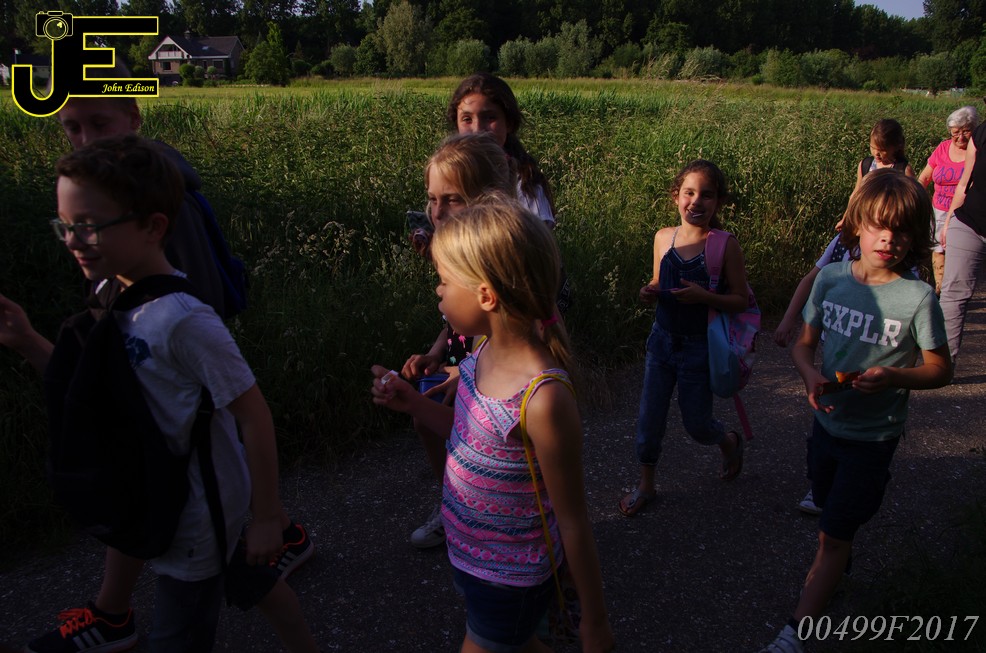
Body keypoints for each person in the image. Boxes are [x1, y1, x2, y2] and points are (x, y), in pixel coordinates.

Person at [20, 96, 316, 653]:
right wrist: (25, 339)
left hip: (196, 509)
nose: (72, 242)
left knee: (177, 634)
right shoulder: (113, 294)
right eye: (65, 226)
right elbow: (91, 386)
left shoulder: (184, 319)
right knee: (251, 579)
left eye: (88, 227)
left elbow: (252, 413)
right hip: (165, 492)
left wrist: (267, 516)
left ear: (153, 227)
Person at [371, 197, 614, 653]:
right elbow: (467, 435)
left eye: (444, 281)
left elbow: (574, 520)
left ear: (486, 295)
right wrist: (413, 403)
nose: (438, 291)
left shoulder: (542, 398)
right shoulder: (481, 352)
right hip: (471, 558)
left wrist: (595, 620)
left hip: (511, 579)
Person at [758, 169, 951, 653]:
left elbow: (939, 369)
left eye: (902, 230)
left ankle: (795, 633)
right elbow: (804, 346)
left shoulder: (918, 298)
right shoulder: (830, 280)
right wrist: (809, 375)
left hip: (874, 437)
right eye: (879, 226)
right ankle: (837, 564)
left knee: (833, 536)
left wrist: (894, 376)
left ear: (915, 236)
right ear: (857, 224)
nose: (889, 239)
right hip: (826, 425)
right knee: (826, 503)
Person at [403, 132, 518, 548]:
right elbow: (455, 319)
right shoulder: (454, 247)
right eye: (432, 199)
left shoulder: (501, 256)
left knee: (479, 440)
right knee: (426, 419)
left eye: (452, 199)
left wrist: (464, 372)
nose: (437, 212)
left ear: (490, 198)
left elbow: (509, 332)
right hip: (464, 363)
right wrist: (436, 353)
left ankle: (499, 519)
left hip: (495, 375)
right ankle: (452, 501)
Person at [618, 160, 747, 517]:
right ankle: (646, 485)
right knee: (649, 419)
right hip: (661, 342)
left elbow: (741, 299)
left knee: (697, 424)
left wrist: (705, 297)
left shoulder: (724, 245)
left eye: (707, 195)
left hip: (699, 348)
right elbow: (659, 280)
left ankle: (728, 441)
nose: (697, 201)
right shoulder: (664, 237)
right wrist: (649, 291)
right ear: (676, 196)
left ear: (718, 201)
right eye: (689, 193)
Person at [773, 233, 854, 516]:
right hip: (833, 340)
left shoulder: (898, 253)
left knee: (850, 408)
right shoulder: (843, 241)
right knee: (831, 406)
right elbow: (811, 279)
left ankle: (846, 479)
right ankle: (822, 482)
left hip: (870, 344)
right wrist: (788, 319)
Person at [446, 73, 556, 227]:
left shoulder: (524, 184)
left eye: (490, 118)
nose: (477, 129)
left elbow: (537, 239)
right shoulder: (449, 176)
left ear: (509, 123)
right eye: (467, 119)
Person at [937, 108, 986, 367]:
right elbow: (965, 182)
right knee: (953, 292)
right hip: (970, 221)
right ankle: (942, 367)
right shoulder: (981, 134)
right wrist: (949, 221)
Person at [917, 106, 979, 295]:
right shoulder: (943, 148)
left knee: (957, 252)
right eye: (955, 133)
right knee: (938, 250)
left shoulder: (977, 151)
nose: (960, 137)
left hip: (963, 212)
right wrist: (915, 196)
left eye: (966, 131)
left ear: (974, 129)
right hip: (939, 210)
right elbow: (925, 177)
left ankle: (953, 291)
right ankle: (940, 290)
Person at [851, 118, 916, 194]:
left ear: (896, 147)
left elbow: (914, 197)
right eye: (872, 148)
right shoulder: (865, 165)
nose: (876, 153)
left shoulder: (903, 171)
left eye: (882, 150)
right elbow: (857, 192)